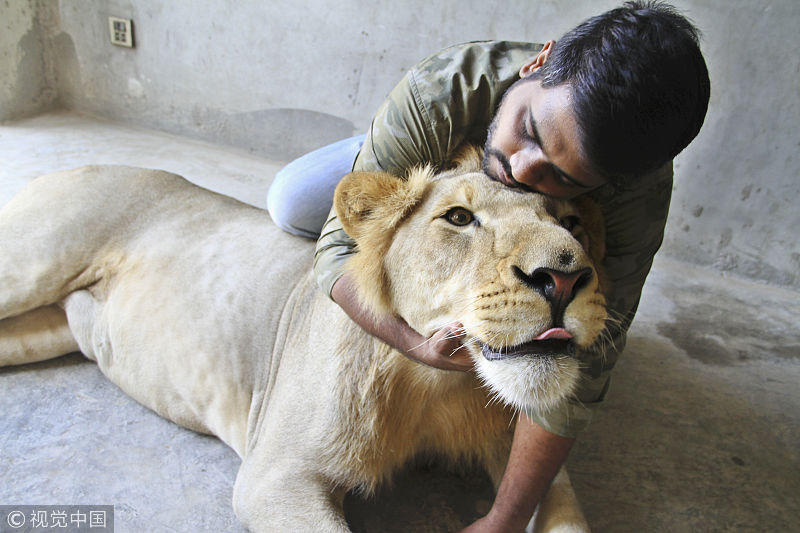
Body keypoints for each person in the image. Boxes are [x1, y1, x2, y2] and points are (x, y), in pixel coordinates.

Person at [267, 1, 710, 531]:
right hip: (428, 149)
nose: (519, 171)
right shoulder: (444, 87)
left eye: (563, 175)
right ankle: (388, 156)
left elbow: (593, 367)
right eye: (531, 131)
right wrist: (413, 339)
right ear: (539, 63)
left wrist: (506, 517)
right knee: (292, 202)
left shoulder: (636, 192)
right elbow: (339, 249)